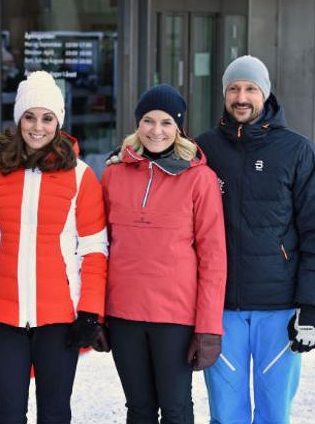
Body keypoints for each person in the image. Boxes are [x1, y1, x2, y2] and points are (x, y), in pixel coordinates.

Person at [196, 55, 315, 424]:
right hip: (221, 307)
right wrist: (123, 156)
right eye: (233, 89)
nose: (241, 97)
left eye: (250, 89)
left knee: (275, 413)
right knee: (226, 414)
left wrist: (311, 307)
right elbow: (159, 164)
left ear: (265, 93)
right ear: (224, 94)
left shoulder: (297, 151)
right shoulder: (203, 149)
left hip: (279, 308)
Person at [0, 70, 108, 424]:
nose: (37, 127)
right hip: (5, 317)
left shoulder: (81, 177)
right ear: (19, 119)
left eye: (47, 118)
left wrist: (89, 312)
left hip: (59, 318)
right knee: (6, 414)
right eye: (29, 117)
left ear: (59, 122)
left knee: (55, 413)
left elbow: (93, 250)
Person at [99, 84, 227, 424]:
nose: (157, 131)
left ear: (179, 128)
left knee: (175, 408)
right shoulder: (113, 174)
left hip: (175, 316)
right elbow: (99, 249)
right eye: (149, 121)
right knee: (138, 408)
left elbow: (214, 259)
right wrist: (95, 313)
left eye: (167, 123)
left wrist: (209, 326)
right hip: (124, 312)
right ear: (138, 124)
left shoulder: (200, 179)